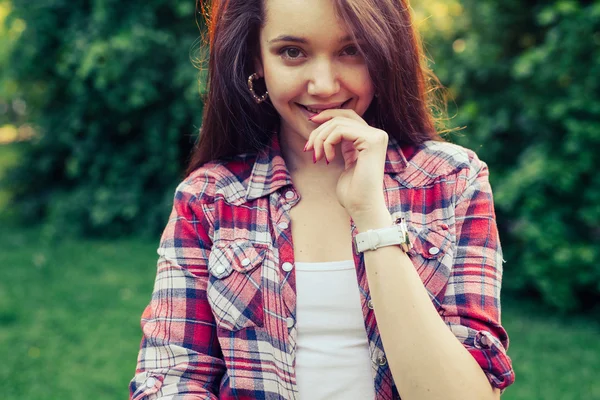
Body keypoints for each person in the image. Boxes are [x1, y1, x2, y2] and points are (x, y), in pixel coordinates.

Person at [129, 0, 515, 398]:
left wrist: (372, 216)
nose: (325, 85)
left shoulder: (452, 181)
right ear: (256, 61)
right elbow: (170, 382)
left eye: (352, 50)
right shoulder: (209, 199)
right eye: (292, 52)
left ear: (384, 51)